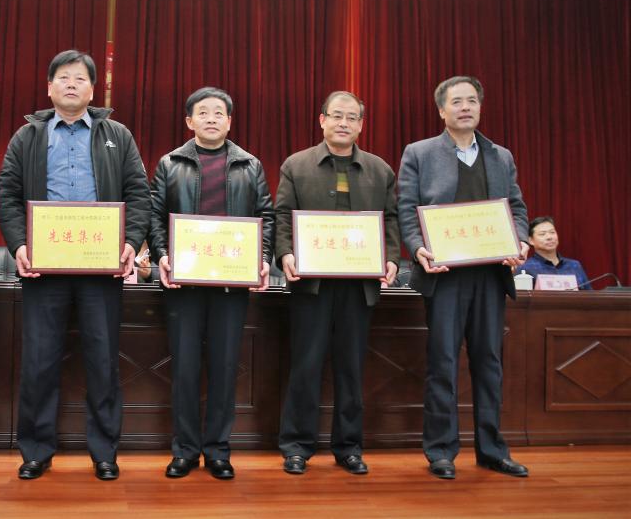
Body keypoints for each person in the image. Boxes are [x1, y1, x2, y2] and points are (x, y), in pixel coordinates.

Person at [0, 49, 151, 481]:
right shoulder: (27, 137)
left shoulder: (117, 135)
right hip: (44, 268)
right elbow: (6, 194)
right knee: (39, 361)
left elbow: (139, 193)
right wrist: (19, 244)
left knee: (102, 361)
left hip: (101, 269)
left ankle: (104, 452)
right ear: (49, 87)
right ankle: (36, 450)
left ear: (92, 90)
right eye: (63, 77)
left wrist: (130, 242)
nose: (71, 84)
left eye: (80, 78)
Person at [398, 76, 529, 479]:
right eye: (457, 101)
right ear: (442, 110)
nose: (466, 107)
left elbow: (517, 208)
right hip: (445, 276)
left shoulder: (500, 156)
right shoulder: (419, 153)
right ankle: (440, 451)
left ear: (480, 107)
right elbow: (407, 209)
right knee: (443, 363)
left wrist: (521, 241)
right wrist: (417, 248)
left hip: (491, 275)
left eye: (472, 100)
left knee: (489, 363)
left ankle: (492, 449)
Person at [149, 87, 274, 480]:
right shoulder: (170, 163)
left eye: (219, 113)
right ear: (189, 121)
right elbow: (155, 216)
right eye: (203, 112)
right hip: (184, 286)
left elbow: (266, 217)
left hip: (231, 287)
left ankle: (218, 450)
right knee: (185, 369)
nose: (211, 119)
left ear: (230, 121)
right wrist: (162, 255)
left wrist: (262, 260)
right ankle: (185, 450)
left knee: (224, 368)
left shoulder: (250, 165)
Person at [274, 91, 400, 476]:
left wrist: (392, 258)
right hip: (311, 285)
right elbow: (282, 216)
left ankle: (349, 447)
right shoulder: (296, 165)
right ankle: (297, 446)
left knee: (351, 368)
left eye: (352, 117)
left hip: (358, 286)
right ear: (322, 120)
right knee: (306, 365)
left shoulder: (380, 170)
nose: (344, 123)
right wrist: (285, 253)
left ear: (361, 124)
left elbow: (391, 220)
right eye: (337, 116)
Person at [522, 216, 591, 289]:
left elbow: (589, 294)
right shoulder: (525, 268)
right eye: (542, 234)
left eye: (552, 232)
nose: (549, 237)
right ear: (531, 240)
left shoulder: (574, 265)